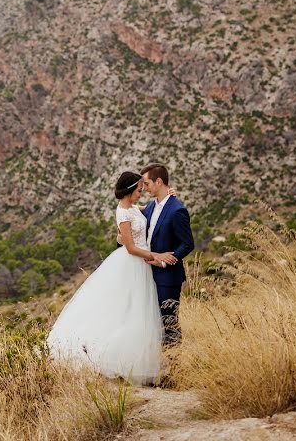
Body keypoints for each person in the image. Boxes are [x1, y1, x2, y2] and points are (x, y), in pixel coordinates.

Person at [46, 171, 176, 384]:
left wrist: (167, 195)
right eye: (138, 190)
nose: (141, 194)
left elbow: (152, 208)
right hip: (133, 263)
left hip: (140, 266)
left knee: (135, 311)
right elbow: (131, 247)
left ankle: (139, 359)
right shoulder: (123, 214)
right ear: (129, 191)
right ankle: (116, 360)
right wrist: (157, 255)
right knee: (127, 310)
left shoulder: (133, 208)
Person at [139, 163, 195, 345]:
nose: (144, 188)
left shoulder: (177, 210)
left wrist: (164, 261)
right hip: (148, 276)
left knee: (169, 324)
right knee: (153, 323)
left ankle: (175, 368)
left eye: (147, 184)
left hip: (168, 278)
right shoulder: (150, 206)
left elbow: (187, 244)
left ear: (159, 181)